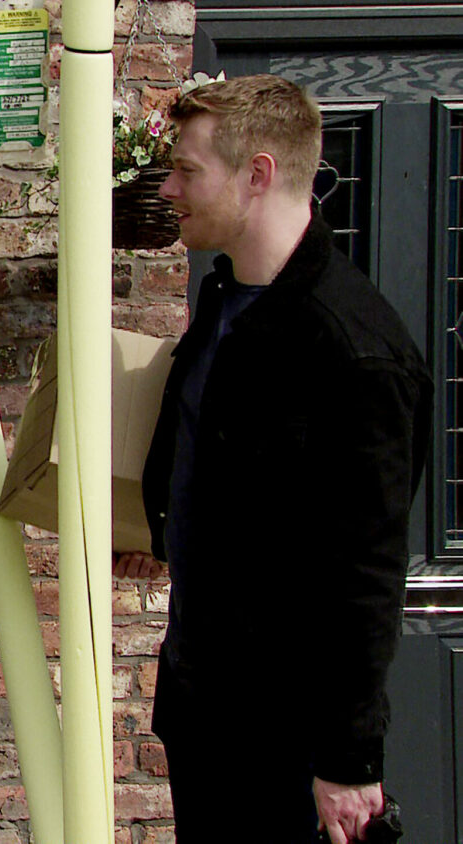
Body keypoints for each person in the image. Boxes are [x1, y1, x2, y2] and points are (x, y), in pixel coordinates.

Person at [113, 75, 431, 844]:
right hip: (205, 701)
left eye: (188, 170)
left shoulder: (354, 349)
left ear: (257, 174)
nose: (171, 188)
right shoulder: (227, 304)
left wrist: (350, 761)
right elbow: (224, 463)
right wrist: (162, 532)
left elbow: (366, 571)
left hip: (285, 732)